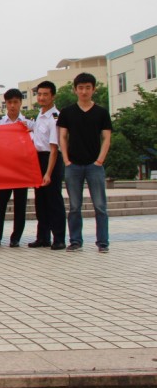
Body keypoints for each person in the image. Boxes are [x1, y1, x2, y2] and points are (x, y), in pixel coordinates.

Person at [57, 73, 113, 253]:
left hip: (94, 166)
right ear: (75, 90)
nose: (84, 91)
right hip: (73, 165)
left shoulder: (101, 112)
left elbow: (106, 138)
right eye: (80, 88)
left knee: (100, 206)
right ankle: (75, 241)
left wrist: (100, 160)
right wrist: (66, 160)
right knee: (74, 206)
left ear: (93, 89)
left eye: (88, 87)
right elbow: (62, 137)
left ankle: (103, 243)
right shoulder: (67, 112)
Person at [0, 88, 32, 247]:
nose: (12, 105)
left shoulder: (29, 123)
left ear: (21, 103)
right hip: (5, 170)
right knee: (0, 204)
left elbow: (34, 145)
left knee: (20, 205)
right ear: (5, 104)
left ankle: (16, 238)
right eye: (9, 102)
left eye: (15, 102)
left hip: (21, 170)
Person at [28, 81, 67, 250]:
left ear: (53, 96)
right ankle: (42, 237)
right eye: (39, 94)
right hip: (38, 159)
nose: (42, 97)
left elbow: (54, 148)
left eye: (45, 94)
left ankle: (59, 238)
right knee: (40, 200)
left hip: (51, 160)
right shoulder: (40, 114)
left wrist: (48, 173)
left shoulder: (55, 118)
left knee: (54, 200)